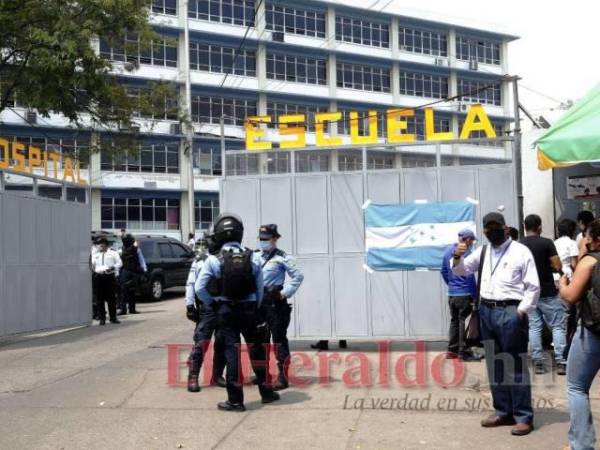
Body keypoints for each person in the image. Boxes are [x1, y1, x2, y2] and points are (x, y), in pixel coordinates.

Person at [452, 212, 539, 436]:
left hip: (510, 311)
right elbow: (460, 271)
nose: (493, 231)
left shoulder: (521, 251)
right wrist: (457, 256)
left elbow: (533, 287)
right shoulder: (483, 251)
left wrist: (520, 312)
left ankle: (523, 416)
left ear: (506, 227)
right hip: (486, 311)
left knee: (515, 365)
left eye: (496, 227)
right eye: (488, 228)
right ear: (484, 231)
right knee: (494, 363)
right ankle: (503, 411)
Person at [195, 213, 279, 411]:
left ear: (218, 235)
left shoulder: (214, 260)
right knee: (257, 351)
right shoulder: (253, 257)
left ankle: (235, 401)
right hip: (249, 310)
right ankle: (266, 393)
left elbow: (199, 289)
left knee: (231, 354)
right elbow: (260, 289)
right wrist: (255, 306)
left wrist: (214, 302)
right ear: (239, 234)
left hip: (226, 311)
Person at [559, 219, 600, 450]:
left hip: (593, 333)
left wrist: (563, 284)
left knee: (577, 386)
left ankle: (581, 445)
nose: (584, 240)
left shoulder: (590, 261)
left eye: (587, 236)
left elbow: (571, 295)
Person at [258, 224, 304, 390]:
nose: (263, 242)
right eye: (261, 239)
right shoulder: (255, 257)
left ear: (275, 239)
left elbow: (298, 276)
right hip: (259, 304)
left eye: (266, 239)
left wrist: (283, 293)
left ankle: (283, 376)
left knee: (278, 340)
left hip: (276, 303)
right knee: (260, 342)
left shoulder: (283, 257)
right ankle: (263, 375)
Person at [520, 214, 566, 375]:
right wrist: (560, 273)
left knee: (534, 327)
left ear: (525, 227)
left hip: (529, 293)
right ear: (539, 227)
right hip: (547, 291)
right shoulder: (547, 243)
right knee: (558, 326)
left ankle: (538, 362)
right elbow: (556, 263)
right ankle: (561, 362)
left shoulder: (519, 245)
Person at [186, 236, 226, 392]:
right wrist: (190, 305)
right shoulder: (199, 262)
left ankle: (217, 375)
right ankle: (193, 376)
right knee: (201, 341)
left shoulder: (224, 259)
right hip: (208, 306)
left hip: (223, 305)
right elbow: (191, 284)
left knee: (222, 342)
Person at [440, 228, 482, 362]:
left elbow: (443, 271)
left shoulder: (447, 252)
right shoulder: (467, 253)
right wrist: (475, 295)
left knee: (455, 321)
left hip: (452, 294)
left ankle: (452, 351)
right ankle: (464, 352)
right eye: (472, 240)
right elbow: (469, 277)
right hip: (465, 294)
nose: (472, 243)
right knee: (463, 321)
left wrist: (452, 284)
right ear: (468, 239)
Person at [91, 237, 122, 325]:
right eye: (99, 244)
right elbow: (92, 265)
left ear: (106, 244)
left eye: (102, 243)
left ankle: (113, 318)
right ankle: (102, 319)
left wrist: (113, 267)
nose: (100, 245)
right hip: (98, 277)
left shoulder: (113, 253)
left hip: (109, 277)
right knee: (99, 299)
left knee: (111, 298)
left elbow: (120, 263)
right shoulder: (95, 254)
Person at [118, 234, 147, 315]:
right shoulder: (121, 249)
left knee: (132, 290)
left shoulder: (136, 249)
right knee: (124, 291)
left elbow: (141, 259)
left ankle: (132, 309)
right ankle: (123, 309)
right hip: (125, 271)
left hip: (133, 271)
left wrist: (144, 269)